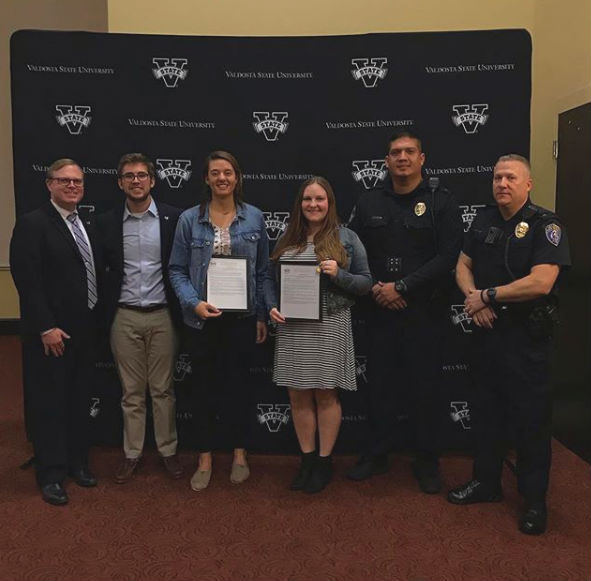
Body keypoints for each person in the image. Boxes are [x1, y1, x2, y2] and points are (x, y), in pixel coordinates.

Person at [447, 154, 570, 535]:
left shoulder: (545, 225)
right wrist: (474, 299)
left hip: (525, 341)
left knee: (531, 424)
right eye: (498, 177)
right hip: (486, 335)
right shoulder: (483, 220)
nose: (502, 183)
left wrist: (490, 296)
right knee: (486, 415)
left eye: (510, 178)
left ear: (528, 184)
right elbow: (462, 266)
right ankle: (486, 483)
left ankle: (535, 501)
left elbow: (541, 282)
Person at [347, 130, 462, 493]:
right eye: (395, 152)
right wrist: (380, 288)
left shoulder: (441, 202)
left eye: (410, 151)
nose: (402, 157)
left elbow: (448, 258)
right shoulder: (368, 203)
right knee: (378, 386)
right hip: (378, 310)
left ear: (422, 159)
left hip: (423, 313)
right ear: (386, 161)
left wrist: (403, 287)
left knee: (425, 389)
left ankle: (426, 461)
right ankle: (376, 453)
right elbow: (352, 251)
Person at [169, 150, 270, 491]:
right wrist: (193, 303)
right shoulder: (189, 220)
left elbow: (262, 272)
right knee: (202, 391)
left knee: (239, 388)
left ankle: (240, 453)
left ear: (237, 177)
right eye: (215, 173)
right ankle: (205, 456)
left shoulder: (254, 218)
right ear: (207, 179)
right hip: (201, 321)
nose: (222, 178)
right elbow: (177, 270)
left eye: (228, 172)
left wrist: (259, 315)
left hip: (241, 320)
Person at [269, 177, 372, 494]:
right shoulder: (287, 238)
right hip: (293, 326)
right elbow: (271, 282)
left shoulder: (347, 237)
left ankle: (325, 462)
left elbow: (366, 283)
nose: (313, 205)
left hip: (330, 323)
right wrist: (272, 306)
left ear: (330, 203)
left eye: (320, 199)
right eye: (307, 199)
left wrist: (338, 274)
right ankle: (308, 460)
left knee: (326, 394)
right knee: (298, 395)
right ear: (299, 204)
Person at [10, 159, 99, 505]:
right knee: (50, 404)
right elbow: (27, 282)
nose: (72, 186)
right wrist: (46, 326)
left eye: (77, 181)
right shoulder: (32, 224)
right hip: (52, 335)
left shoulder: (86, 222)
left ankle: (77, 463)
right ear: (49, 184)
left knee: (79, 400)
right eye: (64, 181)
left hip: (84, 331)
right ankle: (50, 474)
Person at [96, 153, 183, 484]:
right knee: (131, 391)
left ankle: (168, 451)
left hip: (163, 316)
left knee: (163, 390)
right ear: (120, 182)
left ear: (153, 180)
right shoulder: (105, 223)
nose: (136, 181)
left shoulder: (174, 219)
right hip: (124, 316)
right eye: (129, 176)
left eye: (142, 175)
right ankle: (132, 453)